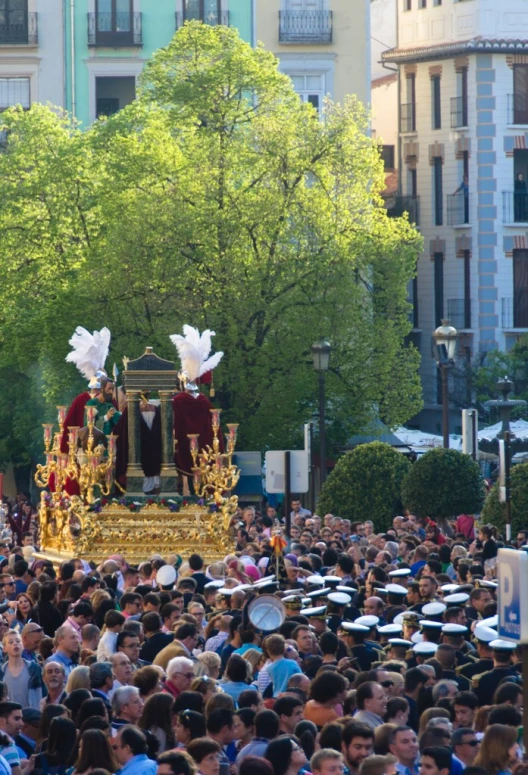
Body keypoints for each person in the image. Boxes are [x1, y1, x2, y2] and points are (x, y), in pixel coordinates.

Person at [0, 630, 45, 709]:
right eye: (10, 642)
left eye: (18, 641)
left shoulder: (34, 669)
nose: (15, 644)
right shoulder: (1, 672)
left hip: (32, 718)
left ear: (23, 645)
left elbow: (44, 694)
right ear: (4, 648)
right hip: (9, 718)